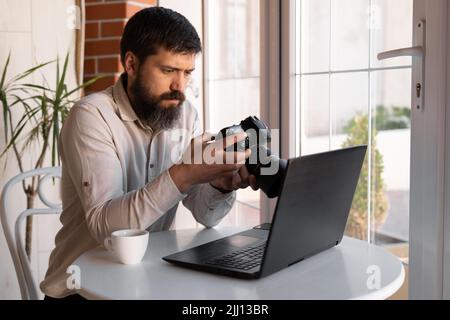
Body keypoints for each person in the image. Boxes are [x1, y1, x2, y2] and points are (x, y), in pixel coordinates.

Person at [41, 6, 258, 300]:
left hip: (146, 283)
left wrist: (219, 185)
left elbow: (205, 215)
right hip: (80, 288)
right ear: (131, 64)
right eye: (168, 70)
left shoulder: (184, 115)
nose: (179, 87)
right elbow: (106, 227)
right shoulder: (91, 116)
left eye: (187, 73)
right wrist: (185, 173)